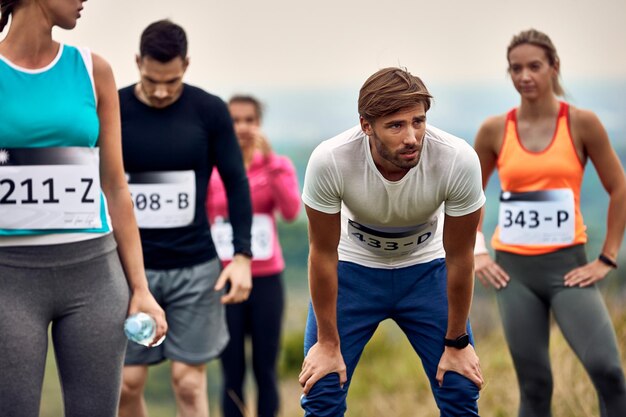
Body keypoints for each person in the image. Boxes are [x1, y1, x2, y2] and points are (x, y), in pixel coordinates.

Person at [0, 1, 166, 417]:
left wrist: (141, 289)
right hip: (9, 279)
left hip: (94, 274)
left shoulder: (95, 71)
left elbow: (115, 185)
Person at [298, 67, 485, 417]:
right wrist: (326, 343)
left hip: (427, 271)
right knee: (322, 388)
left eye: (418, 121)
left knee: (460, 385)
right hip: (353, 271)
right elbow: (321, 255)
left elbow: (460, 256)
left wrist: (458, 341)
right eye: (396, 125)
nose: (412, 136)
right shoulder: (330, 160)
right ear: (366, 125)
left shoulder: (456, 159)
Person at [473, 29, 626, 417]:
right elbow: (465, 196)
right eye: (515, 68)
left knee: (609, 373)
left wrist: (607, 257)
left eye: (534, 66)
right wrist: (477, 251)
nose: (524, 75)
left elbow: (619, 188)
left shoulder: (582, 123)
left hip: (568, 268)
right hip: (513, 273)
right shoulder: (494, 130)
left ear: (554, 67)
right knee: (536, 385)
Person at [117, 20, 253, 417]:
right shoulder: (115, 105)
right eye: (151, 79)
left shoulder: (209, 110)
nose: (161, 91)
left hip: (195, 267)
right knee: (127, 384)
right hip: (128, 269)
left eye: (172, 81)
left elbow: (236, 182)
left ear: (187, 65)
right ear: (137, 62)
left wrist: (242, 256)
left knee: (190, 383)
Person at [206, 95, 301, 417]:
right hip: (226, 278)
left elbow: (290, 211)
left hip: (267, 279)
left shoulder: (277, 165)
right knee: (231, 372)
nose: (243, 127)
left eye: (250, 120)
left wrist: (271, 162)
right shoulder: (213, 167)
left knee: (265, 369)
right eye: (235, 120)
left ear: (259, 124)